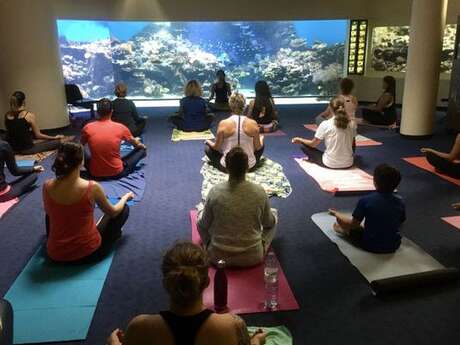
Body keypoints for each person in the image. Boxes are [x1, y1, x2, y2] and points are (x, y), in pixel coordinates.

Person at [107, 242, 267, 345]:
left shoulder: (139, 327)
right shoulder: (232, 326)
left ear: (166, 283)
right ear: (206, 283)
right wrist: (256, 341)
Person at [44, 142, 132, 263]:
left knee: (51, 213)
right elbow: (114, 212)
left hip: (55, 255)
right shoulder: (92, 187)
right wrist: (125, 197)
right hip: (88, 254)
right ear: (81, 162)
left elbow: (50, 213)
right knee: (124, 209)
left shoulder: (47, 185)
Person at [198, 147, 277, 267]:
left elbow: (203, 224)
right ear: (247, 167)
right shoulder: (259, 192)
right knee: (274, 215)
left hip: (217, 257)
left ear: (226, 167)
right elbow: (268, 223)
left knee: (200, 216)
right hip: (252, 257)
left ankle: (211, 244)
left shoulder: (215, 192)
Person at [329, 164, 405, 253]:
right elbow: (400, 222)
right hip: (394, 245)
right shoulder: (400, 202)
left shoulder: (366, 200)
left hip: (370, 245)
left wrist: (337, 214)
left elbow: (353, 225)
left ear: (374, 182)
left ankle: (343, 231)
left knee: (341, 222)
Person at [81, 98, 147, 180]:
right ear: (112, 111)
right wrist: (141, 145)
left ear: (97, 112)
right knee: (141, 150)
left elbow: (80, 146)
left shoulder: (87, 127)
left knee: (79, 148)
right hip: (117, 173)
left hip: (94, 173)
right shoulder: (121, 127)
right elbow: (135, 144)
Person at [205, 92, 264, 172]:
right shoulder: (253, 123)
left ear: (230, 106)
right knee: (262, 144)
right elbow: (258, 147)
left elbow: (216, 147)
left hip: (228, 167)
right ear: (245, 106)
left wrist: (208, 142)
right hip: (248, 167)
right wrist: (262, 139)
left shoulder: (223, 123)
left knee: (207, 148)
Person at [292, 101, 356, 169]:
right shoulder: (352, 123)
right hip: (349, 163)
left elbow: (313, 144)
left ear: (330, 108)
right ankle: (346, 157)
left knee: (303, 146)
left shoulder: (325, 124)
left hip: (329, 163)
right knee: (352, 139)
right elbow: (353, 144)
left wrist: (300, 139)